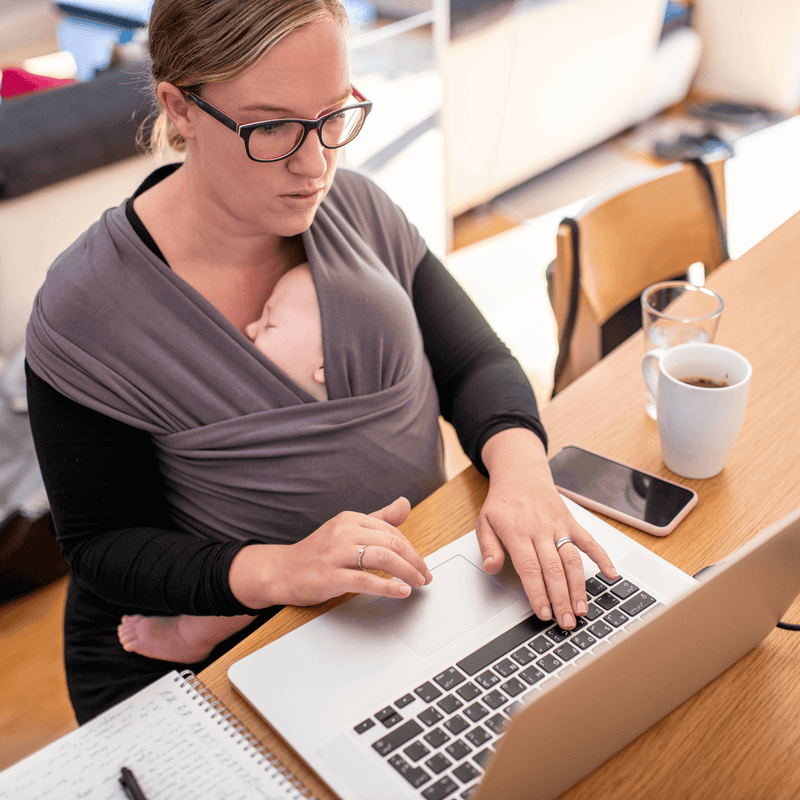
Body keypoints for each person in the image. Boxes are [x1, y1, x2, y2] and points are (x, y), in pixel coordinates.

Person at [25, 0, 618, 724]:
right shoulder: (87, 304)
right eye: (271, 126)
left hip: (400, 598)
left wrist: (524, 475)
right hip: (217, 650)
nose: (316, 166)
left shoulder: (359, 206)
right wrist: (285, 569)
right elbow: (105, 547)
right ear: (180, 108)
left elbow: (473, 360)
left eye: (333, 114)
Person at [117, 263, 327, 662]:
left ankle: (190, 633)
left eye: (270, 325)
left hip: (288, 538)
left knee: (253, 560)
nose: (248, 329)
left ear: (324, 367)